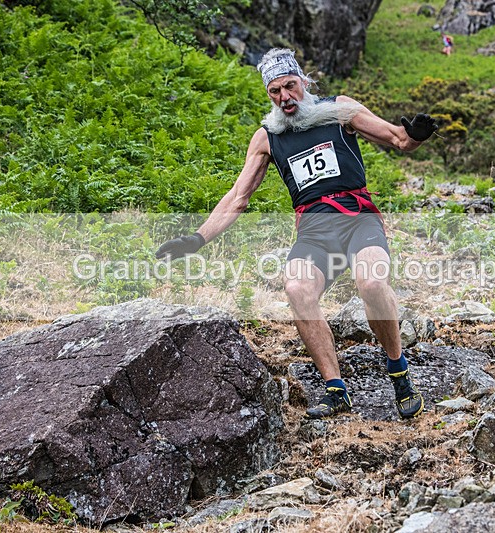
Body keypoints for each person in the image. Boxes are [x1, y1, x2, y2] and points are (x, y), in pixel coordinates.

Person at [156, 48, 437, 420]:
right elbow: (238, 198)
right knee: (297, 288)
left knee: (370, 284)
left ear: (303, 81)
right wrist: (196, 239)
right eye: (275, 92)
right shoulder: (267, 137)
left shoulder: (339, 110)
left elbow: (397, 139)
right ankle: (335, 389)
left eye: (290, 86)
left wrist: (416, 135)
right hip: (315, 230)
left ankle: (399, 373)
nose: (285, 97)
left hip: (358, 219)